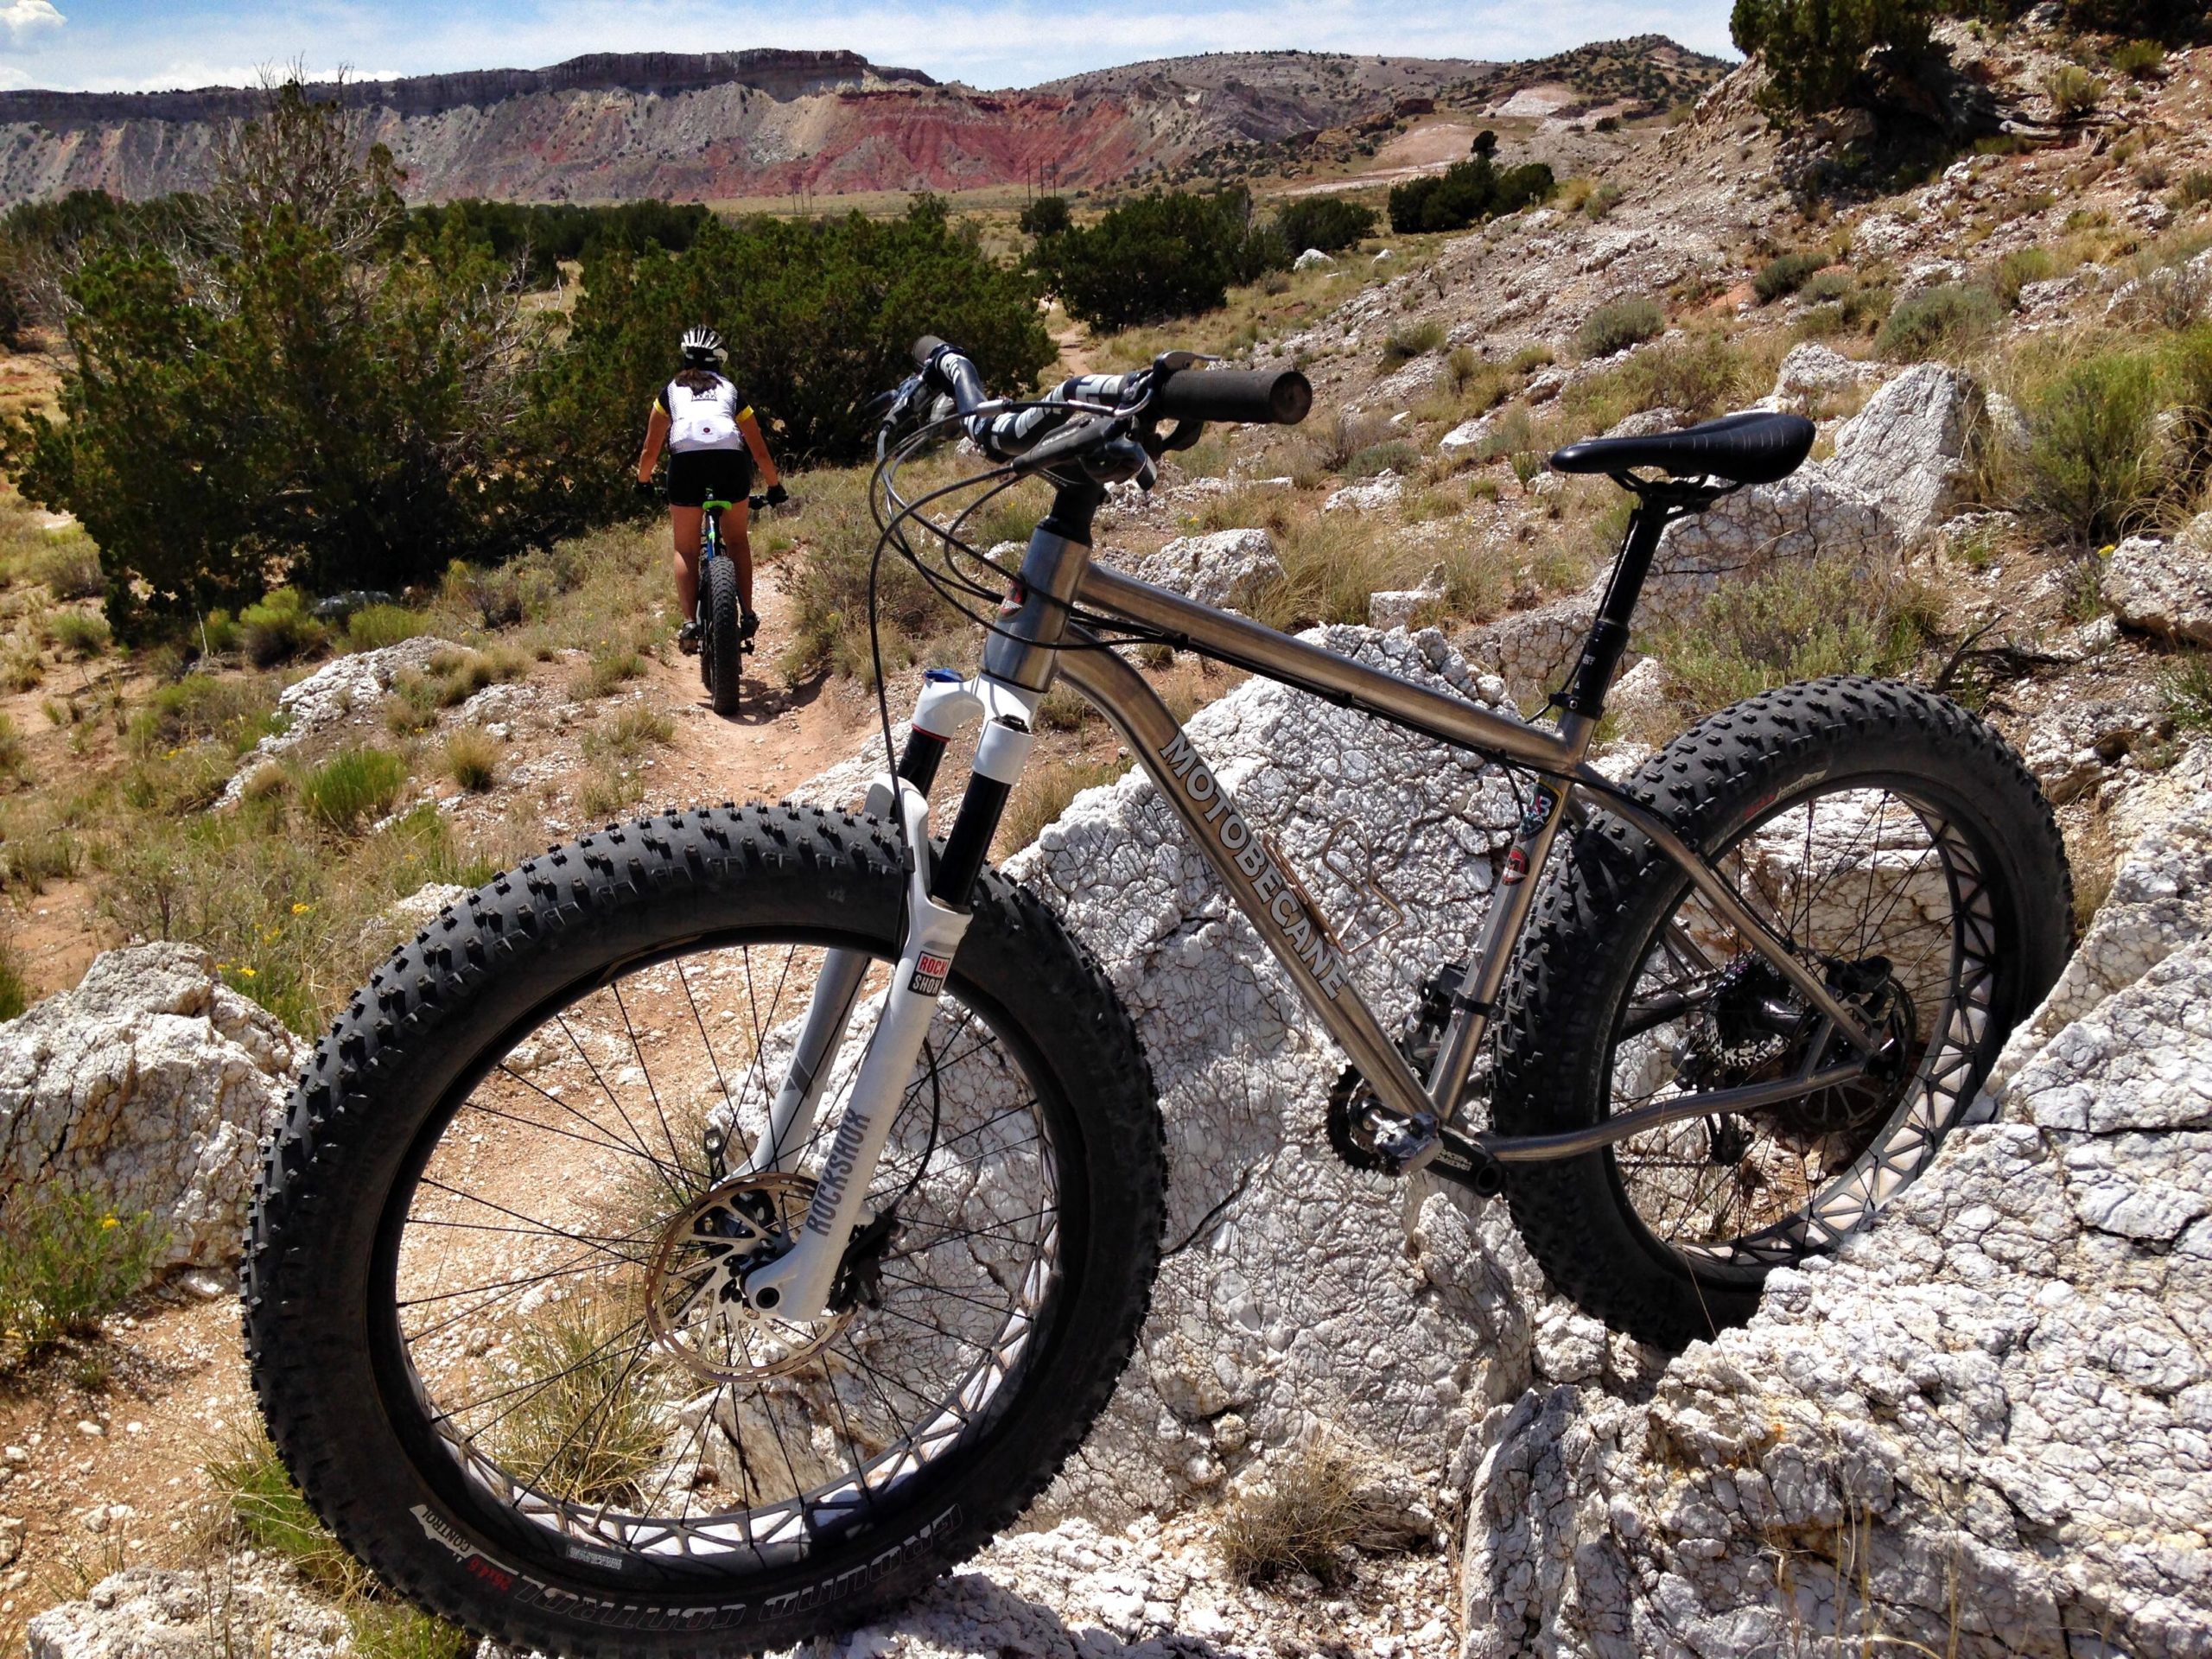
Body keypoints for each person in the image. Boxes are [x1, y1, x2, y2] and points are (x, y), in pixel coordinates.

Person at [635, 326, 786, 655]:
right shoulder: (730, 391)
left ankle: (690, 622)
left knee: (686, 549)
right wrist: (775, 486)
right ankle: (746, 613)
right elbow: (758, 448)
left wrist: (642, 482)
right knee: (737, 541)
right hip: (730, 465)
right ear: (719, 360)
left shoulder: (669, 393)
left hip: (686, 468)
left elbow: (651, 448)